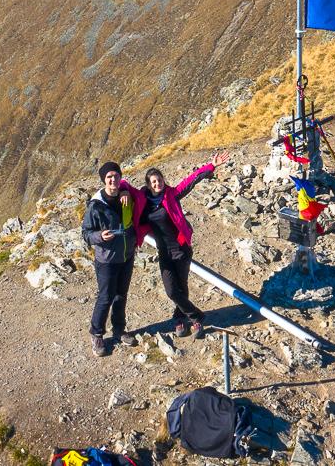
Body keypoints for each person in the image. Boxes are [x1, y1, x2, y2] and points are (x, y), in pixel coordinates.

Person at [137, 151, 229, 337]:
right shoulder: (144, 203)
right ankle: (197, 317)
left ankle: (181, 320)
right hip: (164, 252)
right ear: (148, 185)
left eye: (159, 180)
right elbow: (127, 200)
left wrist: (211, 166)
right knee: (172, 290)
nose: (158, 183)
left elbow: (190, 181)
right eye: (154, 182)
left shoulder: (171, 195)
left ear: (163, 180)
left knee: (182, 286)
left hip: (181, 249)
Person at [82, 161, 146, 356]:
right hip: (106, 259)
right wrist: (100, 236)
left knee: (121, 295)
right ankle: (97, 333)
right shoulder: (96, 205)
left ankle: (119, 330)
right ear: (104, 180)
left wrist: (125, 191)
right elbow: (86, 233)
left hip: (126, 255)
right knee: (106, 296)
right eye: (109, 177)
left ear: (120, 178)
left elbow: (142, 196)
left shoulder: (125, 196)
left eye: (116, 176)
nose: (113, 180)